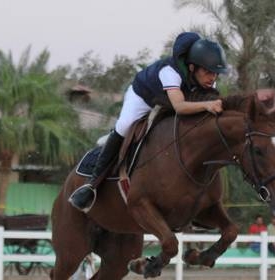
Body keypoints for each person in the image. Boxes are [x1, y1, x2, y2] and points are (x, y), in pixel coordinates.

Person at [69, 32, 228, 212]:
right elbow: (180, 107)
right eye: (208, 72)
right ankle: (91, 185)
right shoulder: (170, 73)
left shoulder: (207, 81)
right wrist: (207, 104)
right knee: (124, 126)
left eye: (215, 73)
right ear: (192, 67)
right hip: (144, 97)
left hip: (170, 99)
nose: (212, 78)